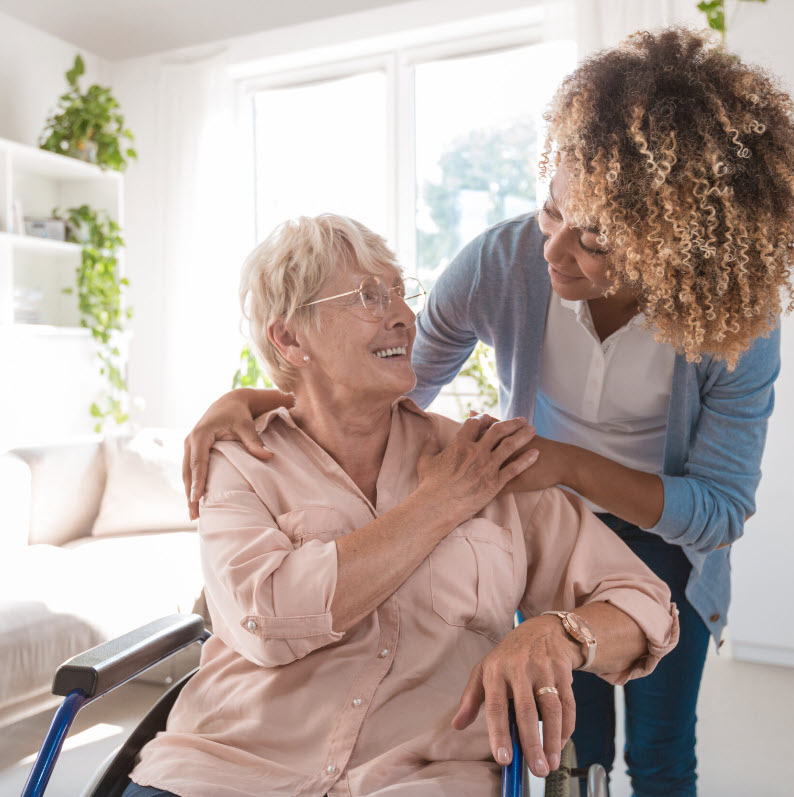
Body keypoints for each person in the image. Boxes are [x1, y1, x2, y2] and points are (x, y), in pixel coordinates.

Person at [182, 28, 794, 797]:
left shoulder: (734, 329)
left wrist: (568, 463)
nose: (555, 251)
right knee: (570, 751)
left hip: (667, 539)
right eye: (551, 210)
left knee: (663, 749)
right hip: (542, 516)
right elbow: (392, 387)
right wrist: (259, 396)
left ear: (673, 246)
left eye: (595, 238)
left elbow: (720, 511)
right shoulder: (503, 263)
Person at [125, 215, 678, 797]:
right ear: (289, 339)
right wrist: (439, 503)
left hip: (421, 779)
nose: (405, 315)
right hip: (224, 769)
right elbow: (271, 620)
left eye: (400, 291)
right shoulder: (238, 459)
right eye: (368, 296)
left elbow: (645, 606)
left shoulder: (484, 460)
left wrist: (558, 633)